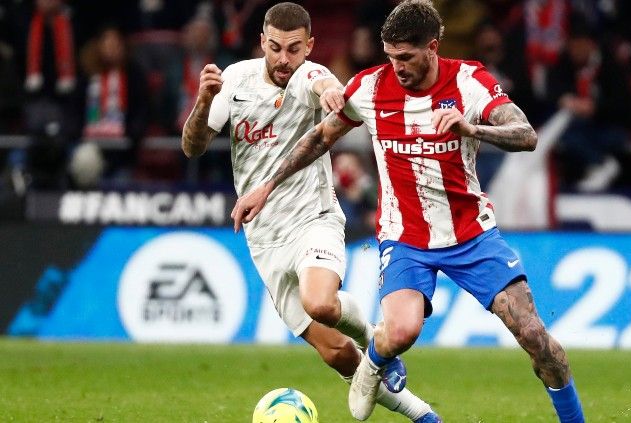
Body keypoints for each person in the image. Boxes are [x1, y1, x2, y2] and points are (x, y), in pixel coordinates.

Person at [231, 1, 585, 422]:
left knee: (533, 335)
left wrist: (473, 129)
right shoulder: (369, 88)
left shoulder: (469, 82)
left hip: (471, 234)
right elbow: (320, 137)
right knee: (400, 332)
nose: (396, 67)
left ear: (432, 48)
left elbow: (525, 135)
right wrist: (267, 186)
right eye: (390, 56)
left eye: (406, 57)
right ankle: (372, 366)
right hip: (405, 238)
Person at [180, 3, 441, 422]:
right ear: (263, 42)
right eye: (276, 48)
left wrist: (331, 94)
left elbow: (321, 86)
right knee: (336, 351)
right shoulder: (234, 81)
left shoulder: (309, 75)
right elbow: (192, 147)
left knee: (319, 302)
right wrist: (204, 100)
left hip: (313, 219)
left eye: (295, 49)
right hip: (263, 238)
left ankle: (379, 346)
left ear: (309, 47)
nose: (284, 59)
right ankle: (425, 416)